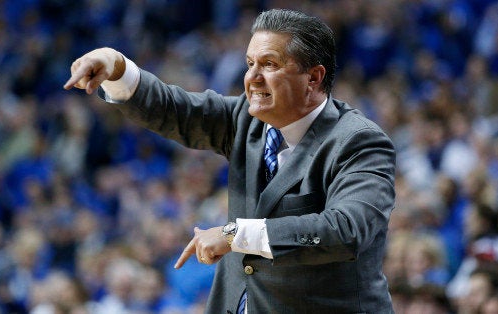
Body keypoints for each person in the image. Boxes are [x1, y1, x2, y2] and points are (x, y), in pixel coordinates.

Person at [64, 9, 396, 313]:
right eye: (250, 63)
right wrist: (116, 66)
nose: (252, 77)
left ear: (313, 78)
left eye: (269, 64)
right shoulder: (246, 119)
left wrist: (236, 234)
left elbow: (346, 230)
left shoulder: (358, 142)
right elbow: (173, 109)